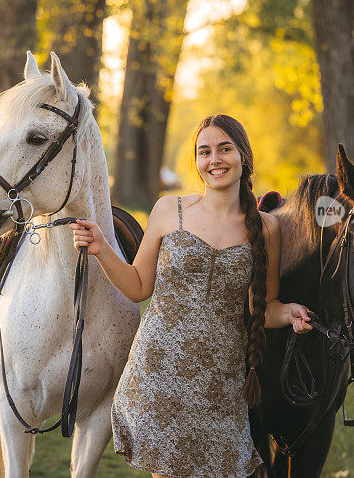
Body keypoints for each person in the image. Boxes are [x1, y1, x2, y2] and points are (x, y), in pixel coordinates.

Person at [69, 114, 313, 478]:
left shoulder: (267, 228)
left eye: (224, 149)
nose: (214, 160)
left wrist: (290, 313)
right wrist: (102, 248)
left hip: (220, 383)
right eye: (205, 152)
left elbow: (262, 309)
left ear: (243, 156)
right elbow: (138, 286)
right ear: (197, 162)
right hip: (160, 373)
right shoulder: (170, 210)